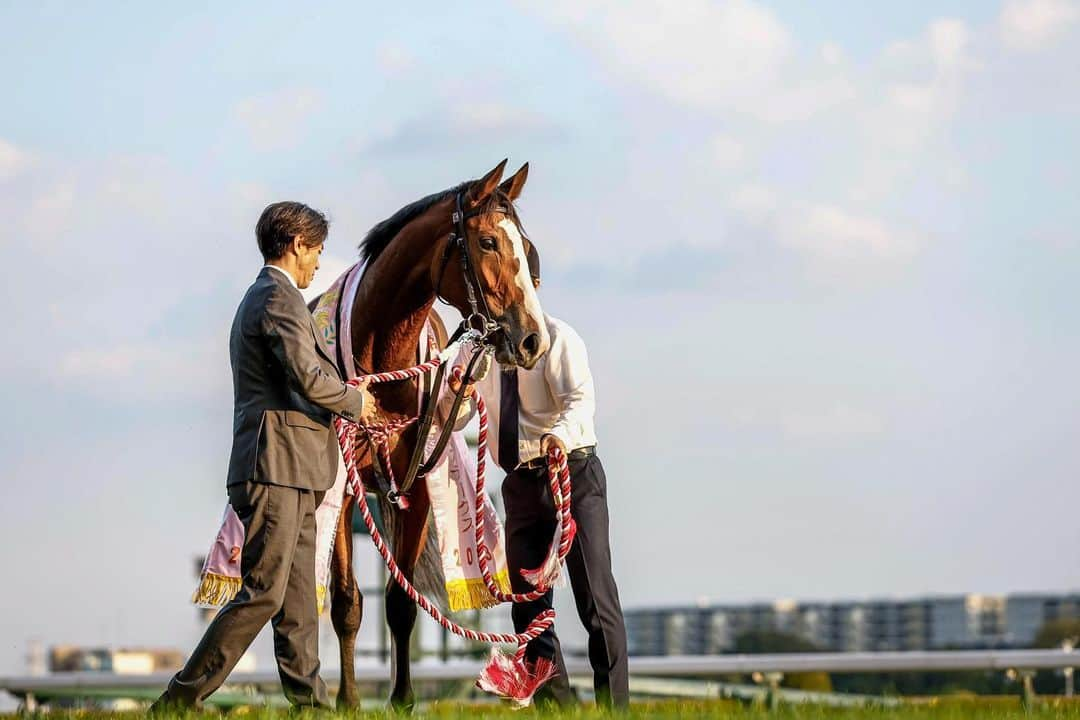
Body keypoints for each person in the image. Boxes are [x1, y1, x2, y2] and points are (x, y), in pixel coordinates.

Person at [151, 202, 376, 713]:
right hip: (274, 469)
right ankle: (178, 702)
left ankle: (312, 706)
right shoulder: (276, 299)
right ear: (297, 244)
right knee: (263, 595)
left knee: (297, 605)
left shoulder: (276, 299)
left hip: (297, 471)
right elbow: (307, 377)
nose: (318, 264)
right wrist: (356, 402)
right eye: (316, 251)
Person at [449, 246, 629, 708]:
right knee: (528, 610)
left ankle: (616, 709)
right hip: (521, 484)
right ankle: (558, 711)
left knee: (595, 599)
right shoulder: (481, 352)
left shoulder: (559, 338)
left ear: (534, 288)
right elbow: (469, 412)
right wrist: (458, 396)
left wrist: (559, 437)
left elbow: (579, 401)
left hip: (571, 474)